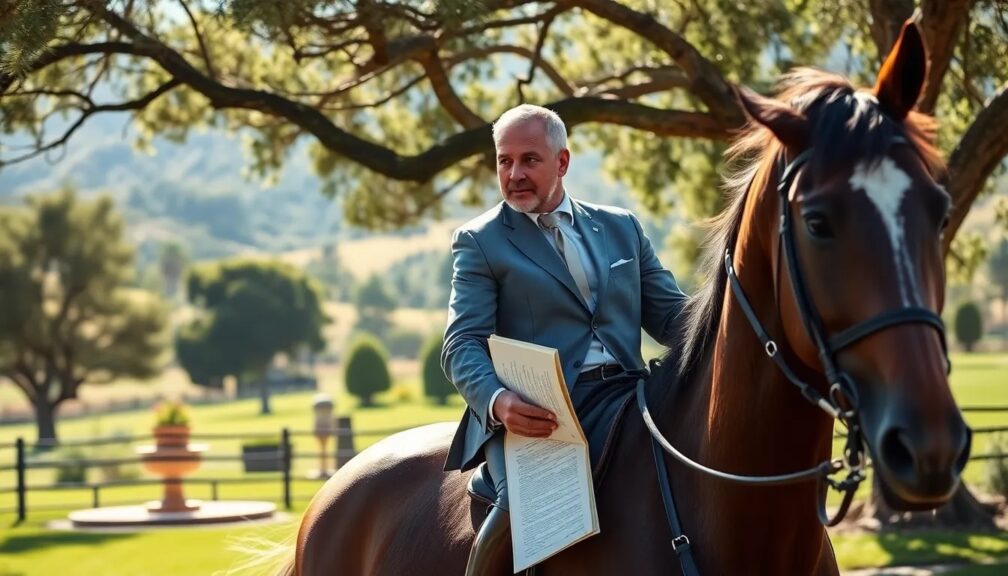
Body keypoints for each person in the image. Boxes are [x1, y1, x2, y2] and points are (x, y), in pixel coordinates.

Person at [441, 104, 687, 575]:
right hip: (537, 413)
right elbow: (461, 343)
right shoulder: (479, 241)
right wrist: (498, 402)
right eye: (503, 160)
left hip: (630, 396)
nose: (514, 174)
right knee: (521, 503)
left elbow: (674, 318)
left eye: (529, 160)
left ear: (563, 162)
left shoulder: (622, 227)